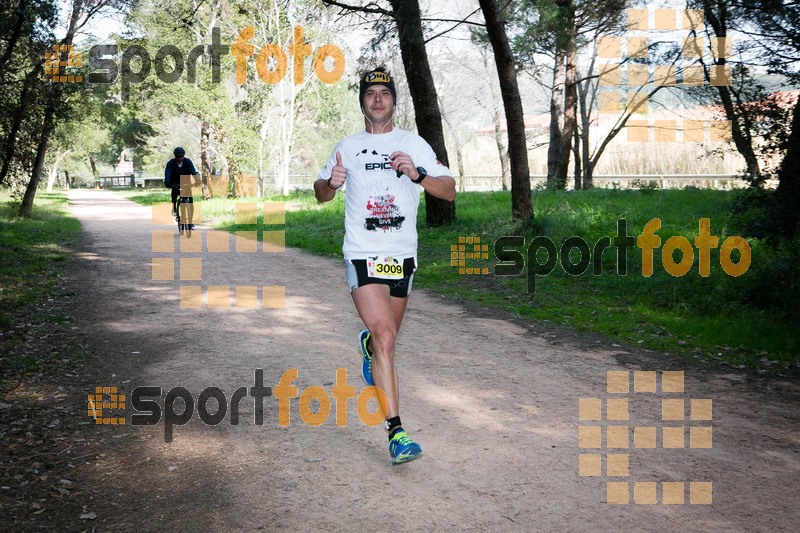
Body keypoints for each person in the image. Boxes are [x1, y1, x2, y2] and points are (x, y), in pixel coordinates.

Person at [314, 68, 456, 465]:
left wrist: (419, 173)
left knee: (385, 337)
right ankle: (397, 432)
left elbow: (449, 190)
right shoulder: (349, 145)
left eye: (384, 94)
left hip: (402, 255)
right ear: (362, 101)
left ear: (394, 100)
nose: (378, 99)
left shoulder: (414, 143)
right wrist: (332, 184)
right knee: (386, 337)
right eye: (370, 93)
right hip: (361, 252)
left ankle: (368, 345)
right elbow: (320, 192)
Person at [164, 147, 200, 231]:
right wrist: (168, 183)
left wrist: (197, 181)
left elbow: (193, 172)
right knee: (174, 192)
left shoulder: (188, 162)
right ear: (175, 156)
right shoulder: (170, 163)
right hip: (175, 181)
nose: (180, 158)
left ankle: (190, 223)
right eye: (178, 157)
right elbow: (168, 173)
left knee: (190, 202)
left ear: (184, 156)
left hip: (185, 181)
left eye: (181, 156)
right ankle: (174, 208)